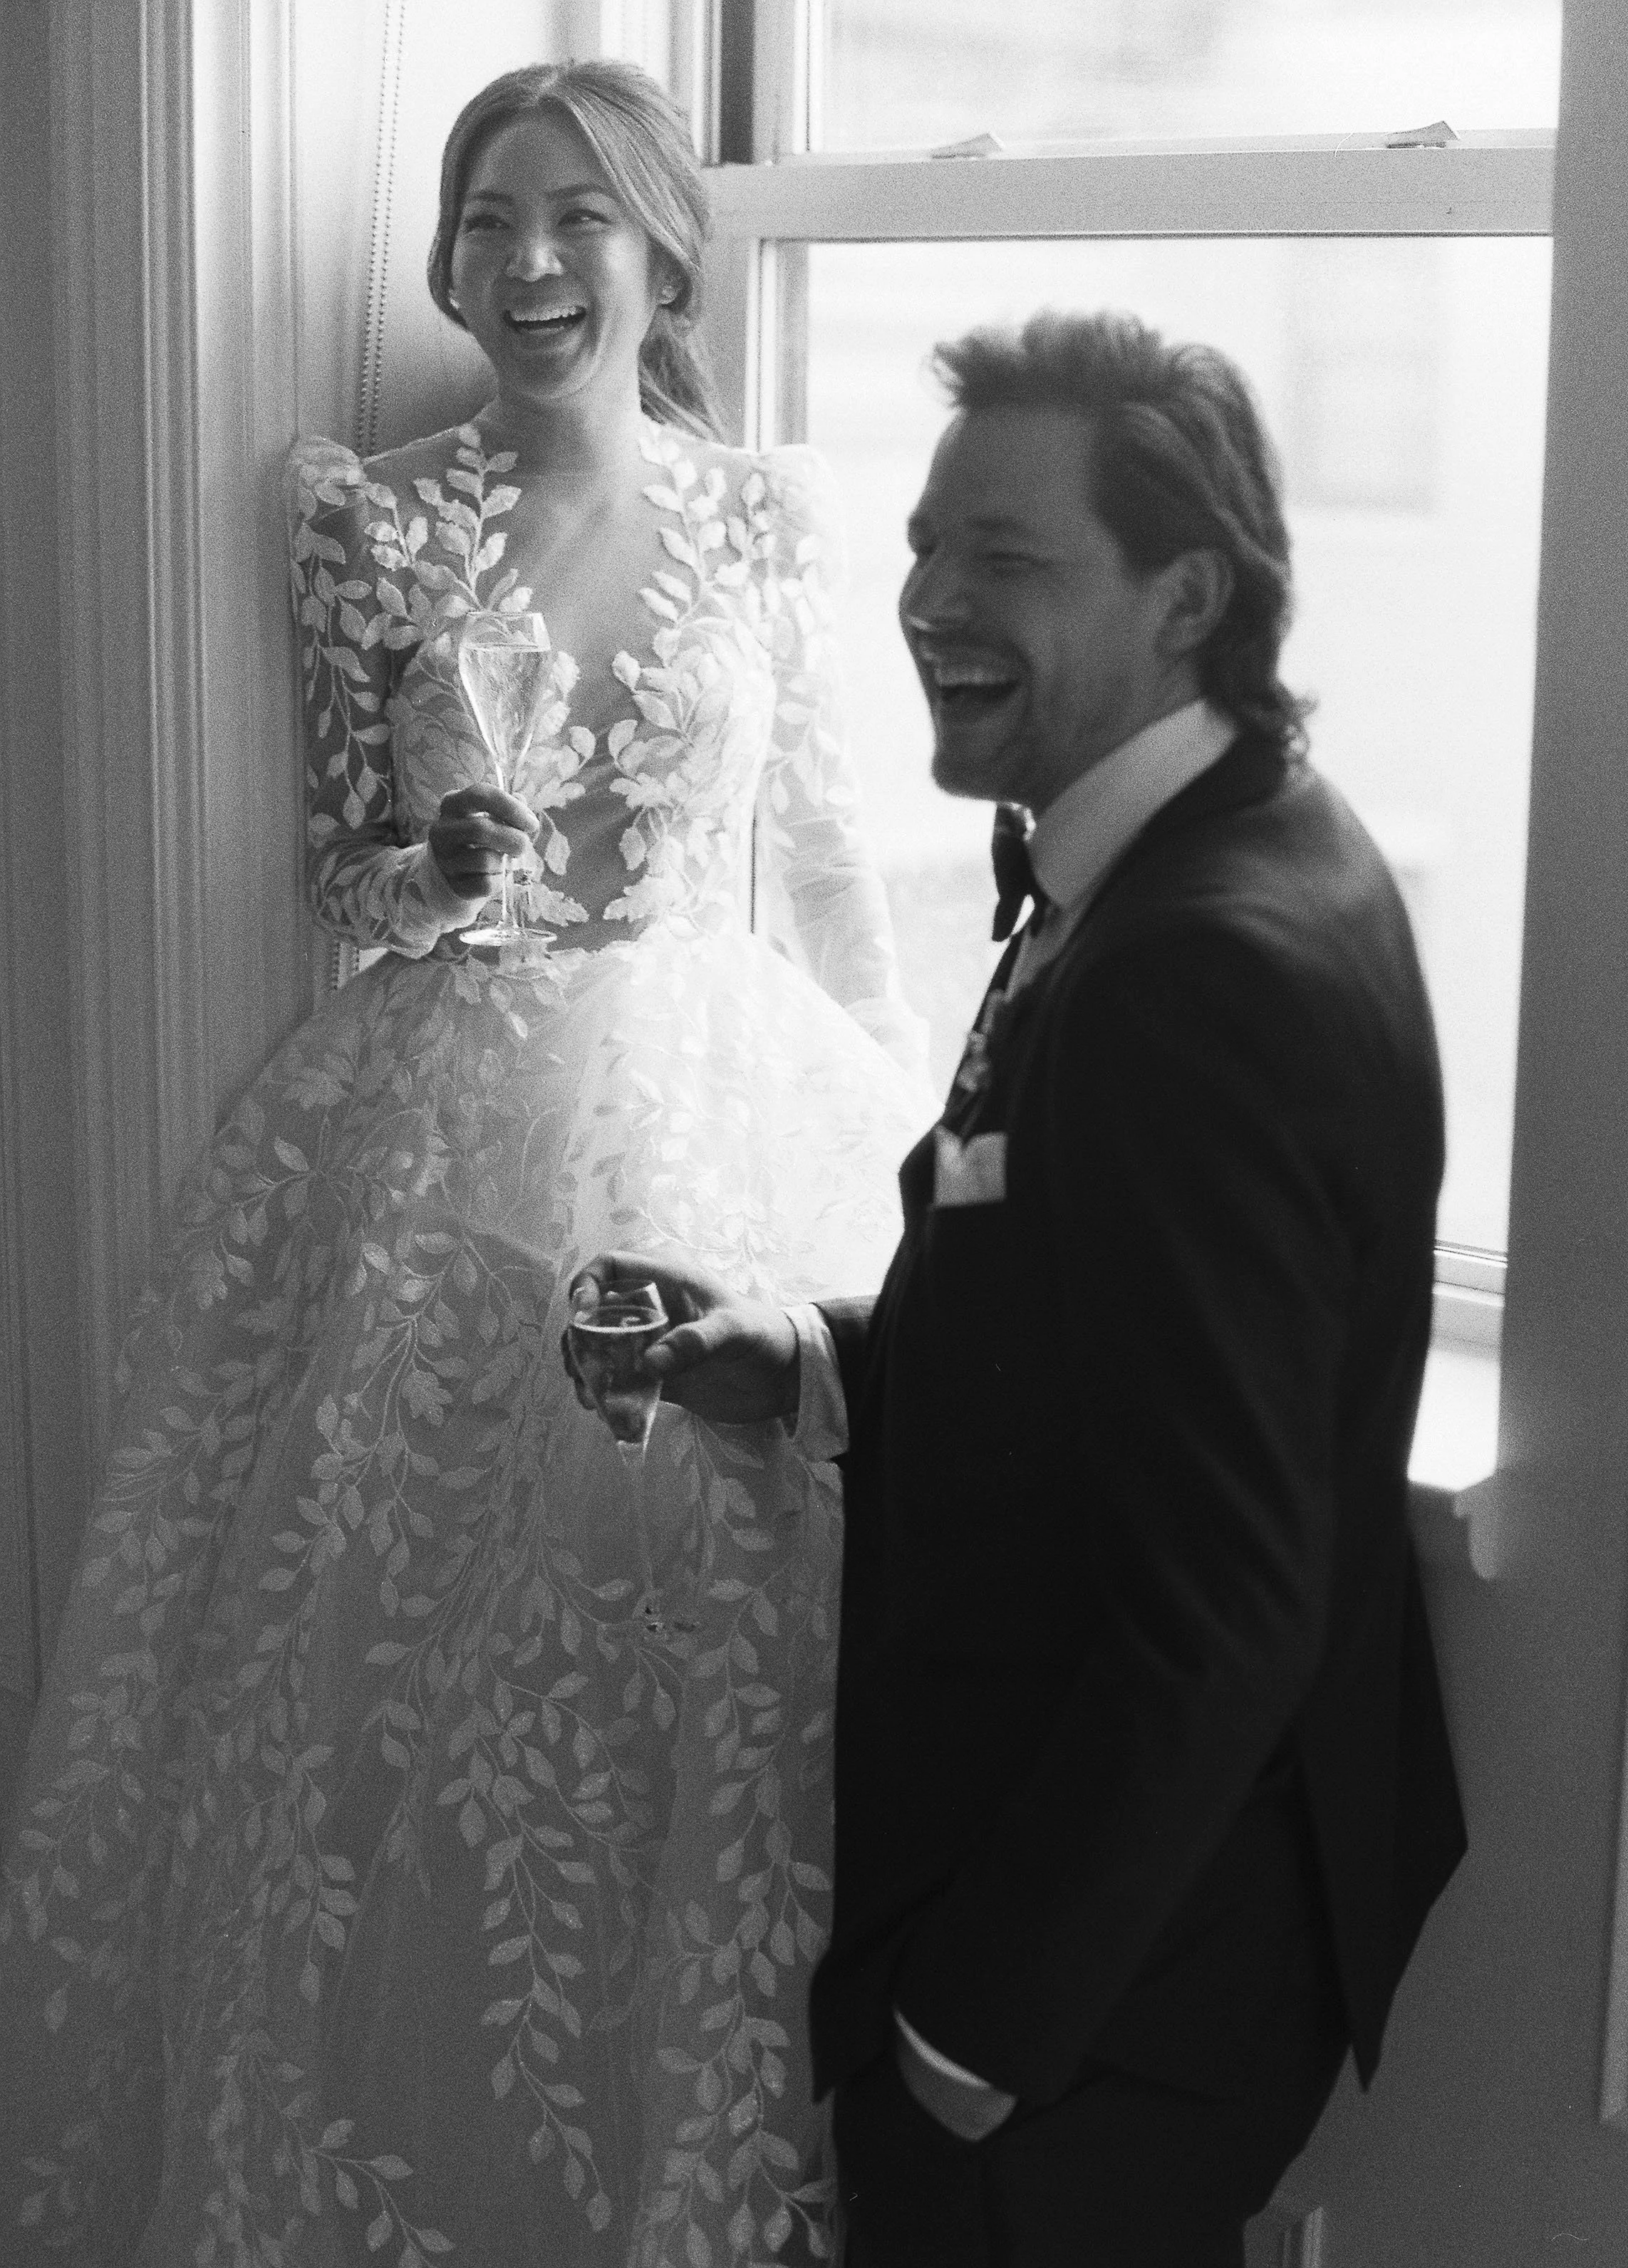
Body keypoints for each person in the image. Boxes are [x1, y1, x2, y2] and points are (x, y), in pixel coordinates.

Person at [0, 58, 928, 2268]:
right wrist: (439, 855)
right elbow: (352, 873)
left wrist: (918, 1129)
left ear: (662, 251)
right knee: (396, 1680)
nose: (526, 265)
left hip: (724, 1091)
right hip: (436, 1131)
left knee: (695, 1641)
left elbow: (815, 850)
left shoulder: (760, 516)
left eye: (577, 217)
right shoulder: (373, 517)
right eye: (489, 218)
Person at [569, 311, 1468, 2267]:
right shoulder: (1184, 848)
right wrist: (807, 1356)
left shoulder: (1199, 968)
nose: (925, 599)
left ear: (1182, 595)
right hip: (1118, 1959)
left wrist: (968, 2033)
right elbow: (1093, 1355)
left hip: (1101, 2005)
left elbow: (1224, 1606)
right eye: (922, 542)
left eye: (1003, 557)